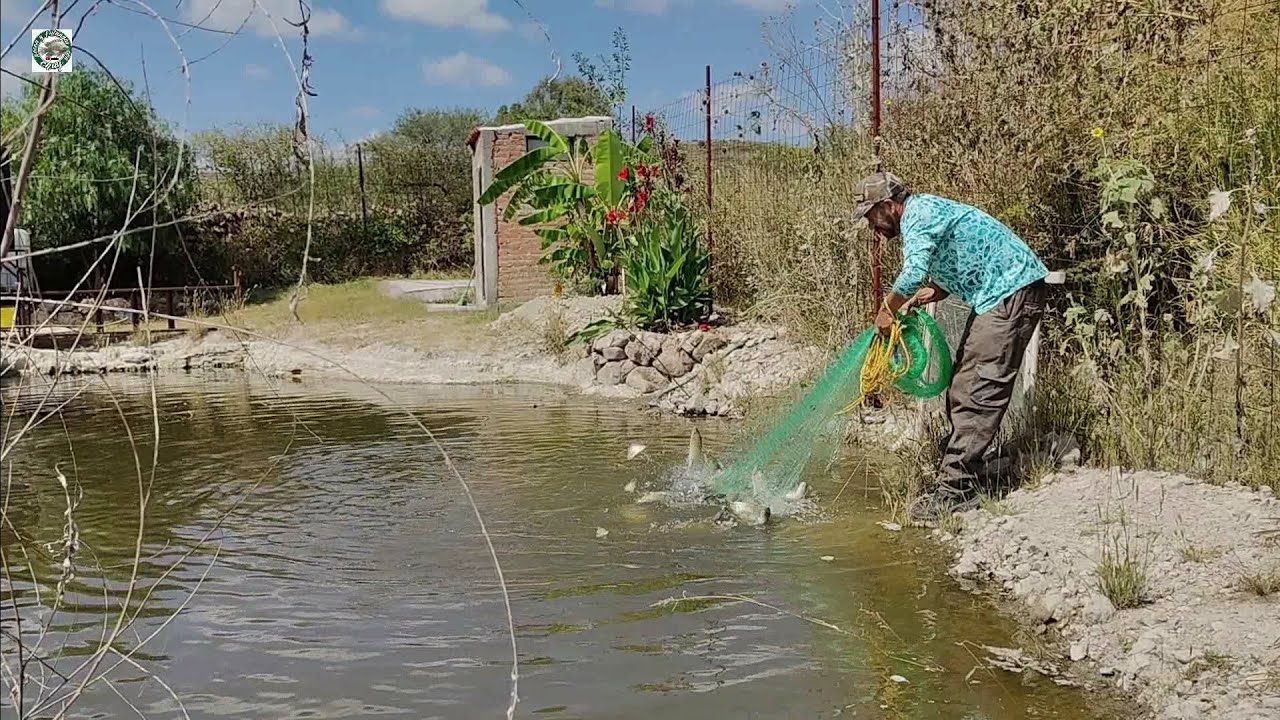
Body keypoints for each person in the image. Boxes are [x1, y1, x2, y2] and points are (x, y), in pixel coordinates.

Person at [852, 172, 1049, 521]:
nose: (872, 227)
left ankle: (956, 491)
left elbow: (913, 272)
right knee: (963, 384)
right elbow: (956, 248)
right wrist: (938, 288)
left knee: (979, 387)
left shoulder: (918, 215)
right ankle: (968, 470)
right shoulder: (923, 211)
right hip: (997, 295)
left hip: (1010, 292)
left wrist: (888, 309)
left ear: (888, 206)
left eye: (871, 217)